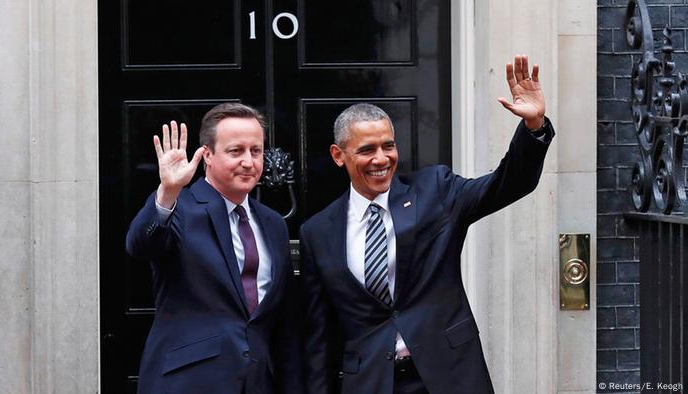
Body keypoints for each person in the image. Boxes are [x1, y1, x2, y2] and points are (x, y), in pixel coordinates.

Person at [299, 55, 555, 394]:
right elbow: (317, 337)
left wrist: (533, 128)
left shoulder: (436, 190)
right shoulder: (317, 232)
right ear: (338, 155)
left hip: (449, 374)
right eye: (367, 150)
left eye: (388, 146)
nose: (381, 159)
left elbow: (508, 183)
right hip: (371, 382)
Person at [126, 103, 302, 394]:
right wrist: (168, 192)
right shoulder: (179, 208)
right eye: (236, 151)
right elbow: (140, 246)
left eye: (256, 151)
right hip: (189, 382)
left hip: (259, 382)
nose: (249, 161)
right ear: (207, 154)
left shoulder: (273, 224)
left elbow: (283, 321)